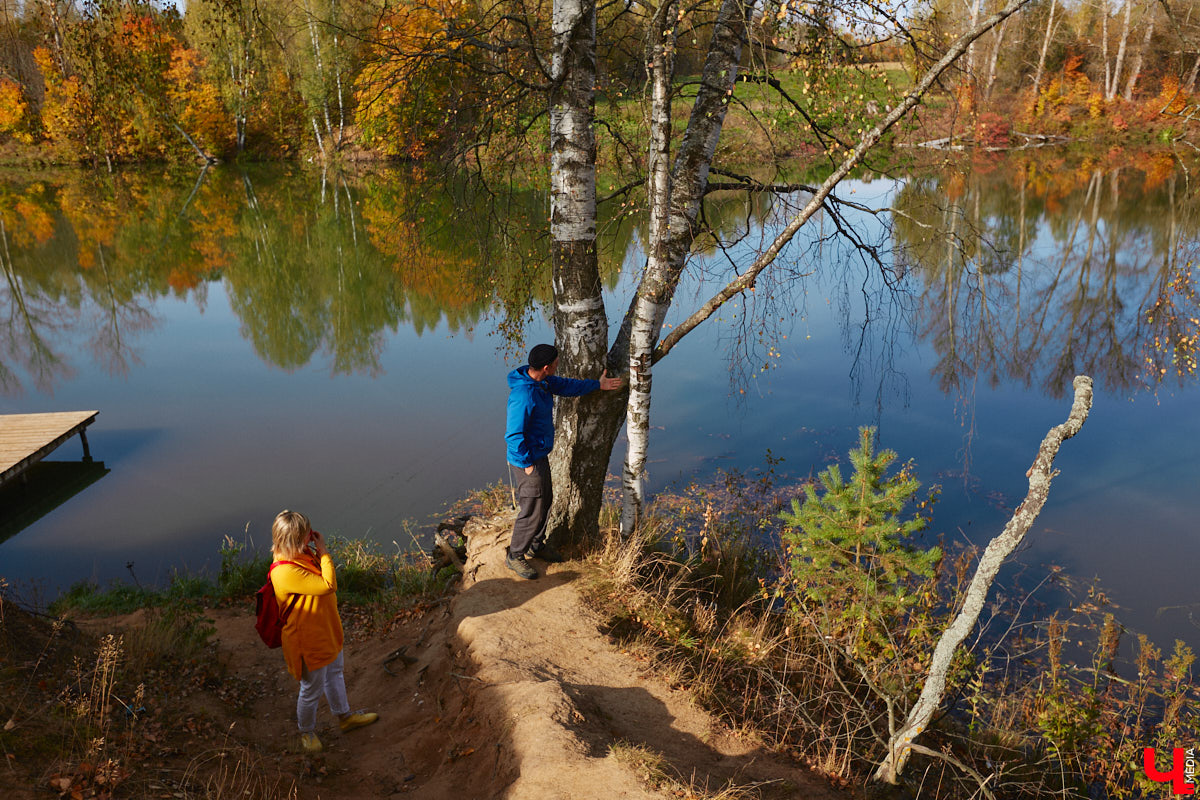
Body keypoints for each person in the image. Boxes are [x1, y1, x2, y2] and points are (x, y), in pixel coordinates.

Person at [504, 343, 623, 579]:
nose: (559, 366)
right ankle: (515, 555)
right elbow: (513, 435)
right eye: (557, 363)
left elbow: (568, 386)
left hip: (538, 455)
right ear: (546, 367)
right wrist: (527, 464)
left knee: (545, 501)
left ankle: (535, 545)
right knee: (532, 508)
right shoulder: (524, 395)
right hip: (527, 460)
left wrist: (598, 385)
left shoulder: (543, 381)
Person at [270, 509, 378, 753]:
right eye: (306, 534)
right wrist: (324, 552)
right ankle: (306, 733)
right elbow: (328, 585)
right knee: (311, 690)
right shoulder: (285, 570)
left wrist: (314, 550)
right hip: (308, 643)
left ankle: (345, 717)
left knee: (335, 674)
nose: (311, 536)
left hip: (326, 631)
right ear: (294, 540)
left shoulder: (301, 554)